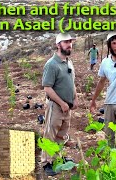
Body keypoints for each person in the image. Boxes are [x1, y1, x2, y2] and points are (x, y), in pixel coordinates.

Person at [41, 33, 78, 176]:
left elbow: (71, 82)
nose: (69, 45)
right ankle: (46, 163)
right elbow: (47, 87)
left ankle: (56, 158)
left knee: (61, 135)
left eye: (70, 42)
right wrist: (61, 103)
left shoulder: (68, 62)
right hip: (56, 106)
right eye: (66, 42)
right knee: (50, 134)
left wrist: (75, 98)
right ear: (58, 45)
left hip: (67, 107)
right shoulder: (51, 64)